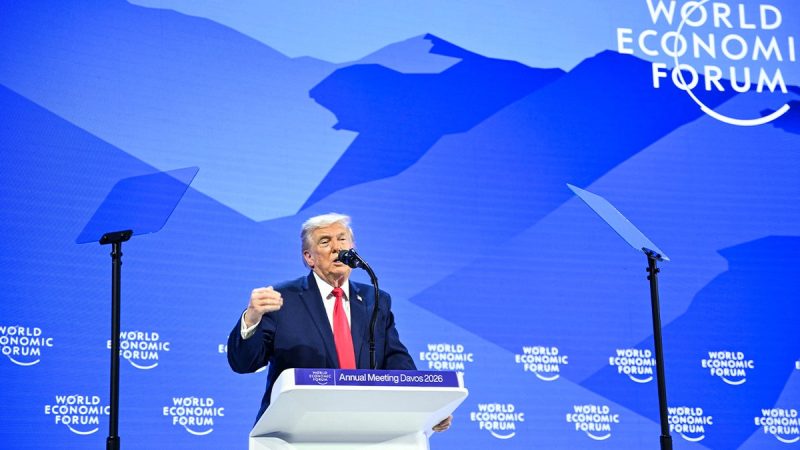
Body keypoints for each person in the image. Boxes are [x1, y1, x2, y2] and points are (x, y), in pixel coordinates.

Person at [227, 213, 452, 432]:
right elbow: (244, 363)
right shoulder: (282, 299)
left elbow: (396, 361)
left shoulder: (375, 299)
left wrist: (425, 408)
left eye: (342, 239)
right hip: (299, 431)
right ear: (309, 257)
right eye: (325, 242)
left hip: (365, 429)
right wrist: (251, 317)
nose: (337, 248)